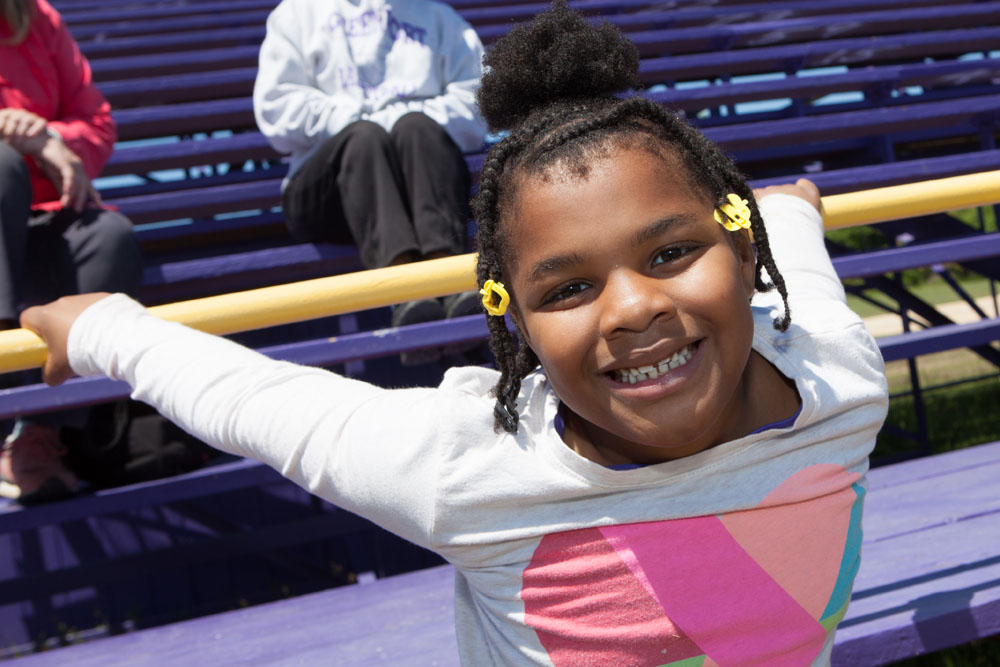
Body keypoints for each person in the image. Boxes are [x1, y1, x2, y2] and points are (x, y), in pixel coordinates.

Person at [23, 4, 887, 663]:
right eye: (569, 287)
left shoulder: (839, 379)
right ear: (513, 318)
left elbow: (806, 282)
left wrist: (789, 212)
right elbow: (264, 406)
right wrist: (99, 325)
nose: (632, 308)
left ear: (742, 247)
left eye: (670, 252)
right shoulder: (468, 465)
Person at [253, 0, 488, 359]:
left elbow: (476, 102)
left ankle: (450, 284)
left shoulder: (437, 16)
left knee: (416, 128)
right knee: (365, 138)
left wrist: (398, 120)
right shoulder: (295, 14)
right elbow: (277, 107)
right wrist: (366, 121)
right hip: (328, 196)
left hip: (420, 173)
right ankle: (406, 290)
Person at [0, 0, 142, 502]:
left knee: (111, 236)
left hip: (45, 216)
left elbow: (97, 124)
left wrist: (48, 136)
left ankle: (40, 430)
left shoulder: (37, 18)